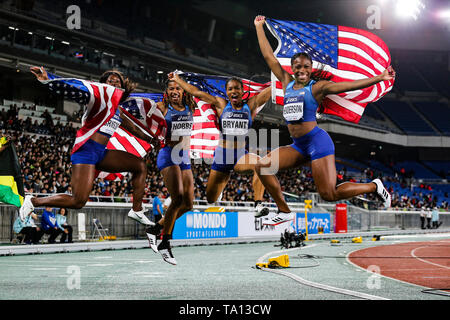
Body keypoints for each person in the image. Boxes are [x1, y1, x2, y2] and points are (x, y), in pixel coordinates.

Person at [253, 15, 393, 225]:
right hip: (299, 145)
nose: (301, 70)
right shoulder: (286, 82)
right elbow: (268, 57)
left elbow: (350, 86)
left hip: (317, 142)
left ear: (310, 69)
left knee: (329, 194)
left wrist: (380, 78)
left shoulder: (318, 88)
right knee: (263, 166)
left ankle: (374, 186)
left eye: (305, 67)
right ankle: (284, 211)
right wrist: (258, 27)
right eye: (297, 66)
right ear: (292, 67)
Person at [19, 67, 158, 226]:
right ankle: (34, 201)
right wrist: (48, 78)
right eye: (109, 80)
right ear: (103, 86)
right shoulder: (96, 100)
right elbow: (76, 87)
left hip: (101, 153)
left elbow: (133, 128)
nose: (113, 82)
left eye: (117, 80)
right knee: (78, 201)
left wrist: (153, 140)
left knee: (140, 165)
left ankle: (137, 210)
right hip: (85, 151)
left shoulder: (118, 110)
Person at [166, 72, 271, 215]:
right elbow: (196, 92)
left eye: (237, 88)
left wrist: (285, 76)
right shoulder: (221, 104)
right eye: (230, 89)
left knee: (262, 163)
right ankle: (221, 187)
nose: (234, 91)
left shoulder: (251, 105)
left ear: (243, 91)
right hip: (222, 157)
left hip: (240, 156)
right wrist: (177, 79)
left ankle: (258, 204)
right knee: (210, 199)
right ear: (227, 92)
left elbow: (272, 89)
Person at [144, 77, 198, 265]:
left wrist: (179, 78)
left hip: (184, 157)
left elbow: (200, 93)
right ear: (166, 92)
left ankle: (155, 229)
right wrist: (153, 136)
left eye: (178, 88)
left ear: (183, 91)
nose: (175, 91)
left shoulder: (191, 107)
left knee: (188, 204)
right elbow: (146, 121)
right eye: (171, 88)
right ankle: (165, 242)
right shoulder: (162, 107)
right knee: (177, 198)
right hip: (168, 154)